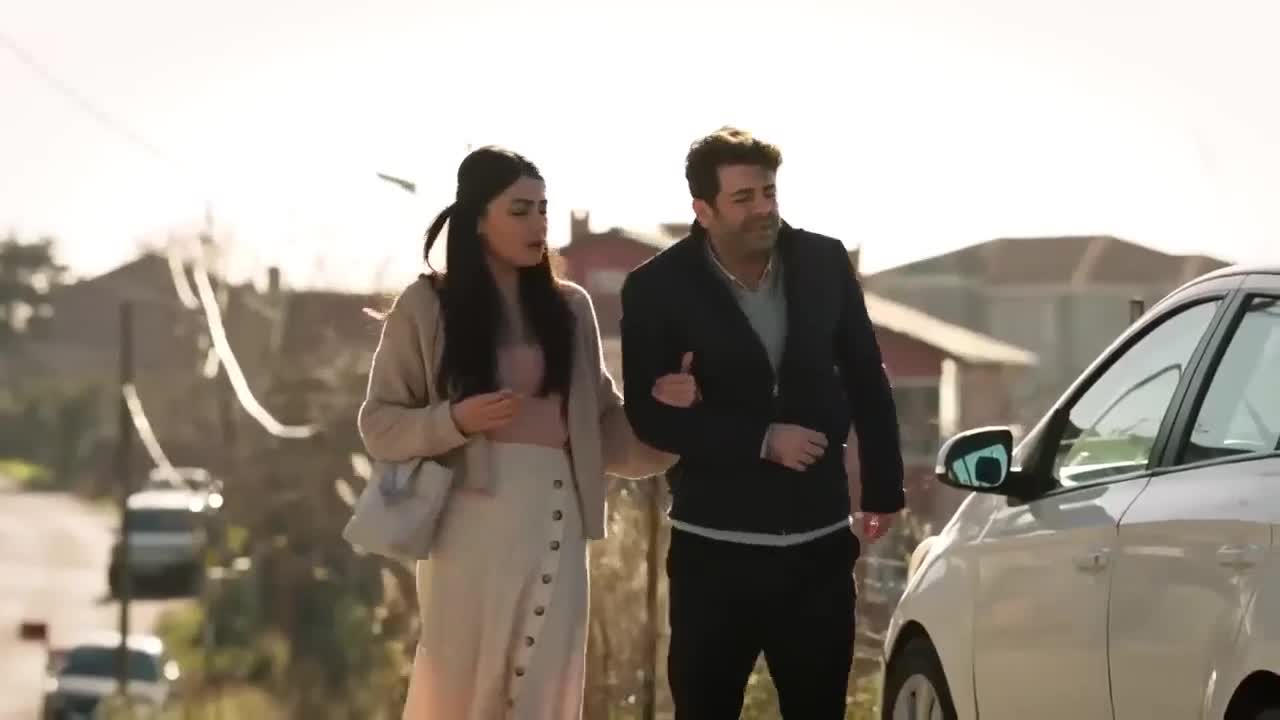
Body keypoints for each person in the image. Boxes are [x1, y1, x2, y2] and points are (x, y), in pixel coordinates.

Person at [358, 146, 697, 720]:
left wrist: (667, 415)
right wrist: (456, 421)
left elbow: (606, 431)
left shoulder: (572, 308)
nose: (538, 223)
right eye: (519, 210)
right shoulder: (426, 305)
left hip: (558, 523)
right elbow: (380, 425)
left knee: (544, 693)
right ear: (477, 218)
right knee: (461, 692)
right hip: (466, 534)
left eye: (543, 208)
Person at [619, 126, 906, 719]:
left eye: (769, 192)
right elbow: (647, 418)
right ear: (703, 210)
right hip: (713, 552)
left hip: (819, 548)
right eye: (743, 198)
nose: (763, 208)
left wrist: (883, 489)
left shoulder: (823, 261)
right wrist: (760, 440)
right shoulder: (655, 288)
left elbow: (866, 378)